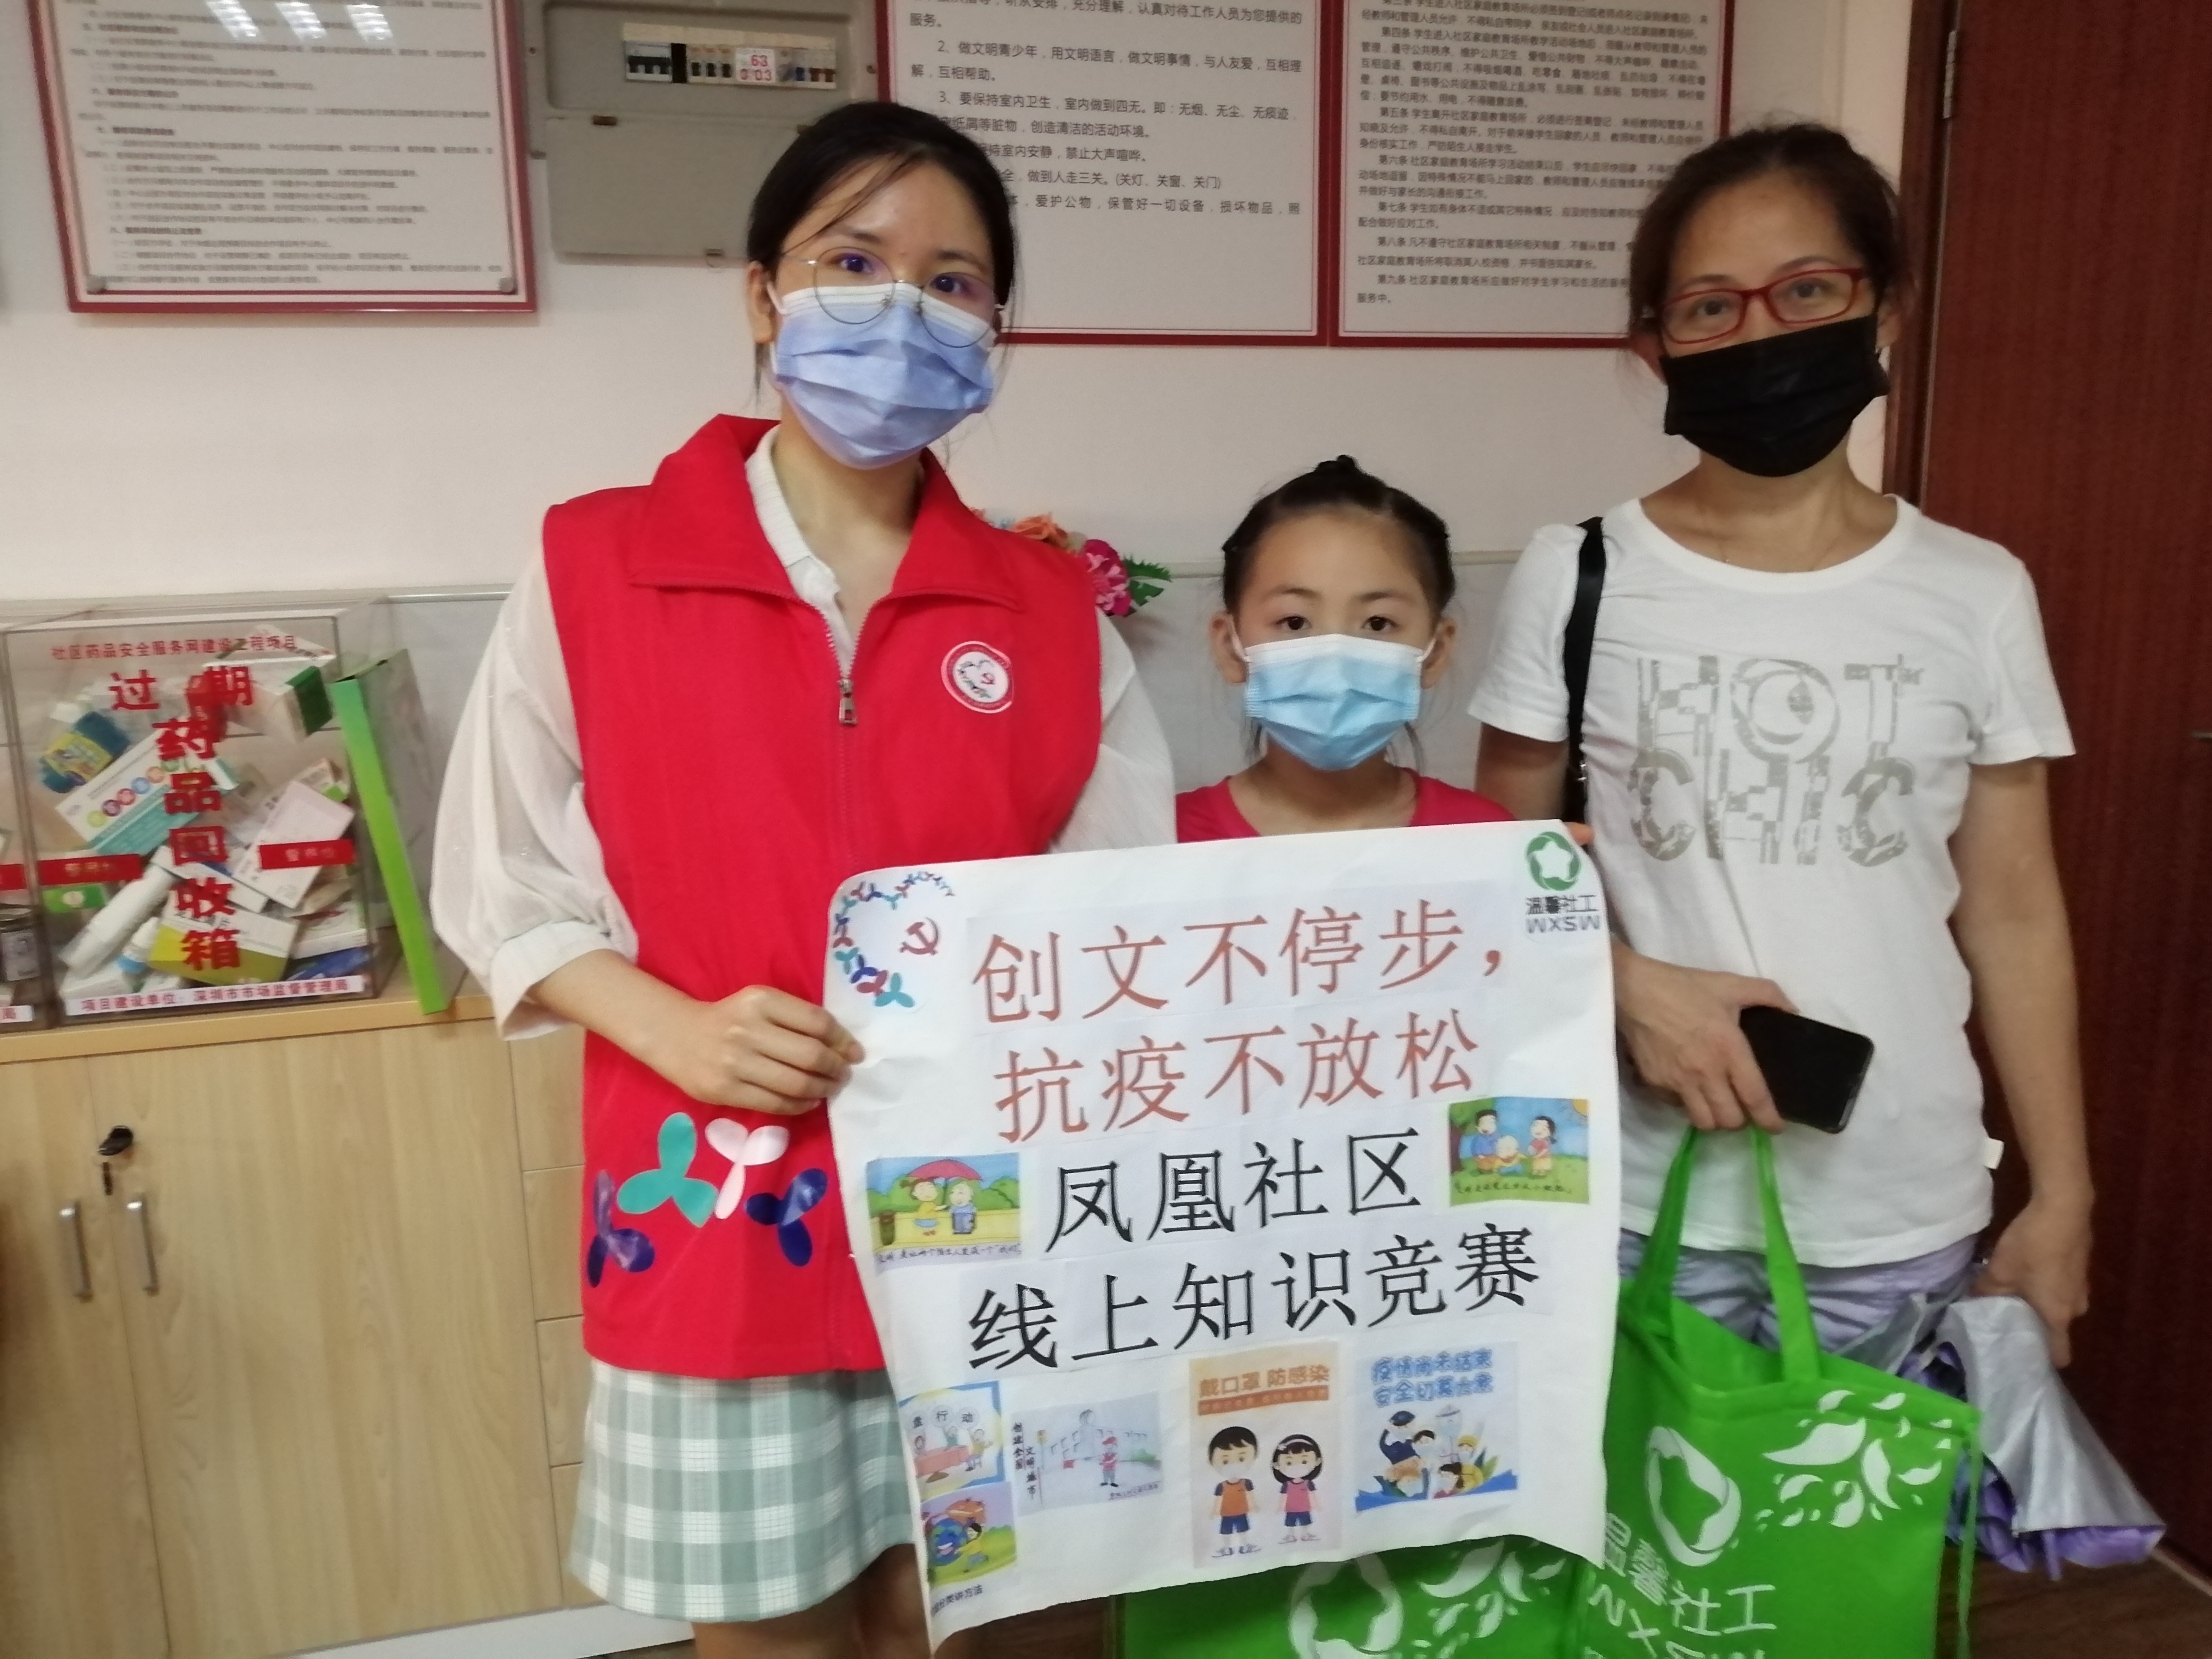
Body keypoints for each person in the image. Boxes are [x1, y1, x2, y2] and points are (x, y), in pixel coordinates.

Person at [432, 101, 1173, 1659]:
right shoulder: (598, 564)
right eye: (853, 259)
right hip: (722, 1218)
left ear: (995, 329)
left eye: (953, 281)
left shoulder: (1049, 610)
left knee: (1002, 1623)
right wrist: (675, 1025)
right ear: (765, 293)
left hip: (994, 1224)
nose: (902, 307)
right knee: (775, 1632)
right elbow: (499, 880)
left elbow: (1120, 915)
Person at [1472, 123, 2090, 1368]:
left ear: (1886, 307)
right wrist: (1624, 981)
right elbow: (1497, 870)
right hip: (1636, 1198)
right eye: (1711, 307)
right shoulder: (1576, 574)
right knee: (1630, 1506)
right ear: (1653, 345)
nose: (1761, 334)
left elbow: (2015, 911)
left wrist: (2064, 1191)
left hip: (1897, 1206)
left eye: (1806, 290)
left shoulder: (1975, 591)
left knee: (1866, 1506)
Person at [1177, 457, 1514, 841]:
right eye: (1294, 622)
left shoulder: (1488, 840)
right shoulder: (1162, 843)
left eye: (1377, 623)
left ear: (1435, 652)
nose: (1334, 663)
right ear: (1230, 646)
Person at [1271, 1435, 1323, 1537]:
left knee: (1306, 1522)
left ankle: (1305, 1534)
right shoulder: (1286, 1485)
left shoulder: (1308, 1483)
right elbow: (1283, 1497)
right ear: (1277, 1466)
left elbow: (1312, 1495)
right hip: (1291, 1509)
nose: (1297, 1467)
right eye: (1289, 1463)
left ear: (1317, 1461)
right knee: (1290, 1523)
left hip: (1305, 1508)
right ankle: (1291, 1535)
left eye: (1304, 1462)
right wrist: (1280, 1507)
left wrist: (1316, 1505)